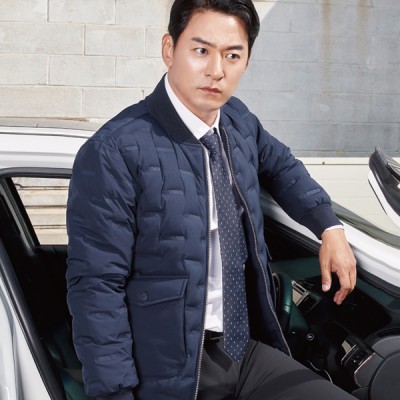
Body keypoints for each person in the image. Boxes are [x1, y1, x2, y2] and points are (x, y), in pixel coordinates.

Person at [66, 0, 357, 399]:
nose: (216, 70)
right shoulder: (115, 150)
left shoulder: (238, 122)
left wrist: (329, 227)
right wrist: (116, 393)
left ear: (247, 61)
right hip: (168, 368)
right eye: (201, 50)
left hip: (243, 349)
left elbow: (282, 167)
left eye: (232, 55)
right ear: (169, 49)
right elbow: (97, 285)